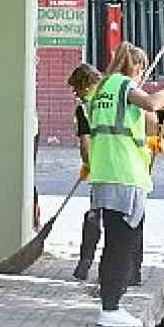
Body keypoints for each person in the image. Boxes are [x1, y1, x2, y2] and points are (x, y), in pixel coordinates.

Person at [85, 42, 164, 327]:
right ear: (134, 67)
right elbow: (153, 103)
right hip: (125, 174)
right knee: (121, 244)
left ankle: (111, 302)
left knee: (115, 241)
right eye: (140, 69)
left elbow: (143, 119)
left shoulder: (101, 89)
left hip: (104, 173)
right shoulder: (122, 85)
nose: (141, 75)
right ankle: (110, 308)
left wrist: (150, 138)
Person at [66, 63, 103, 282]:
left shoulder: (85, 108)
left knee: (94, 217)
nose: (75, 94)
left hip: (100, 170)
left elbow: (85, 141)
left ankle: (85, 262)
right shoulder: (112, 101)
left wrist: (87, 163)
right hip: (122, 168)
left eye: (76, 88)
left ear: (86, 85)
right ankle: (130, 270)